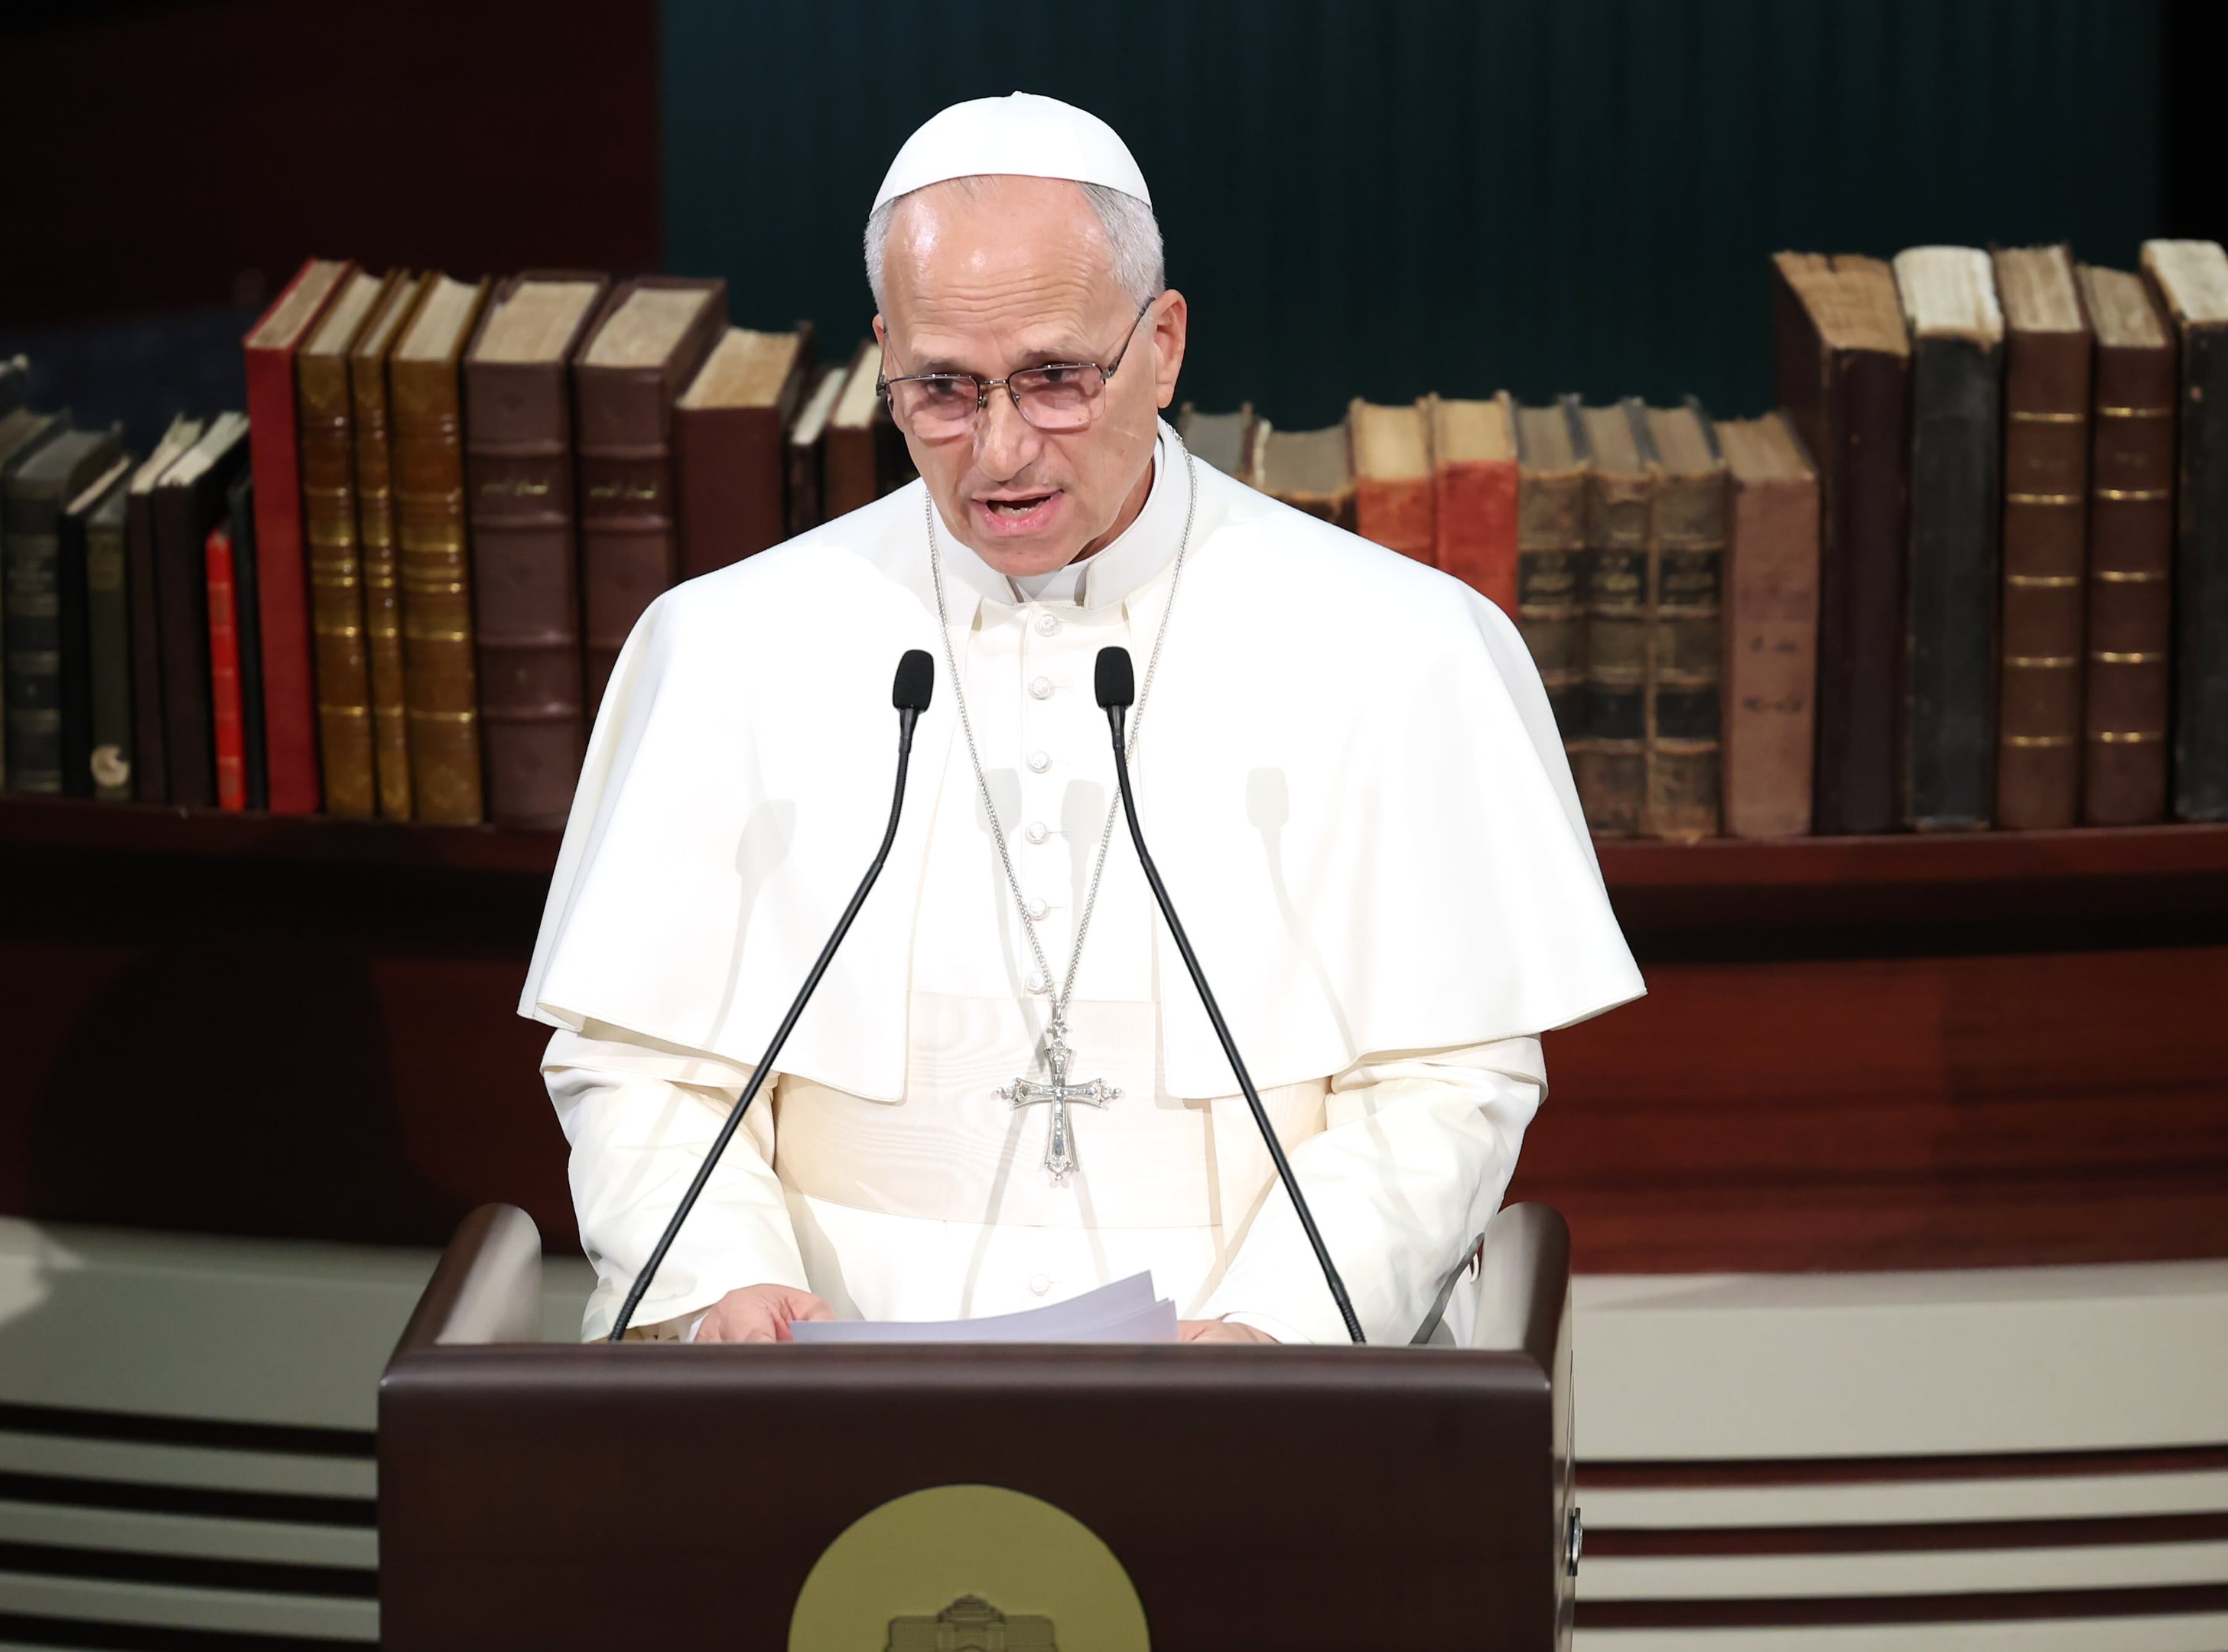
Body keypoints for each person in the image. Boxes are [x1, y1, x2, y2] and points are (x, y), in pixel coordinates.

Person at [523, 92, 1641, 1345]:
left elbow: (1445, 1080)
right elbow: (642, 1062)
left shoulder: (1398, 644)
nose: (1001, 450)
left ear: (1161, 345)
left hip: (1241, 1391)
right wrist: (724, 1284)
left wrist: (1279, 1324)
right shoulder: (729, 645)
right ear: (884, 353)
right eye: (942, 390)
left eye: (1055, 380)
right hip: (827, 1389)